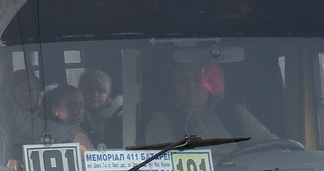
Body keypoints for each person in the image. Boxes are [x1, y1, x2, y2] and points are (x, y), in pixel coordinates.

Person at [143, 60, 275, 151]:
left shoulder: (236, 113)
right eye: (184, 79)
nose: (191, 86)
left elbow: (273, 147)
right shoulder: (161, 121)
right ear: (174, 85)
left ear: (207, 83)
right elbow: (166, 168)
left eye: (197, 79)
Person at [40, 84, 95, 149]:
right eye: (70, 106)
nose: (77, 112)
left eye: (81, 106)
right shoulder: (44, 141)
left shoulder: (90, 139)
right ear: (55, 111)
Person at [79, 68, 123, 149]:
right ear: (81, 91)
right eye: (90, 90)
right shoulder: (73, 116)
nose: (95, 94)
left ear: (108, 93)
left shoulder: (121, 116)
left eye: (100, 91)